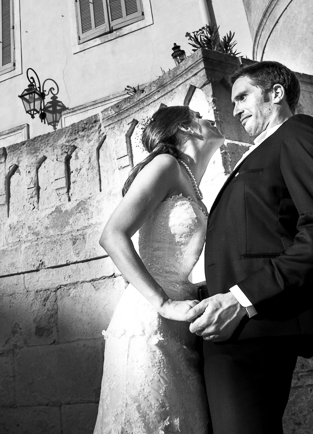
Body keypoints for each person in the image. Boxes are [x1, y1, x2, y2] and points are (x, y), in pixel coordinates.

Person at [186, 61, 313, 434]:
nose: (235, 109)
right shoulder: (261, 150)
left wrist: (242, 298)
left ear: (276, 94)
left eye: (243, 96)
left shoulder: (299, 131)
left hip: (256, 319)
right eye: (233, 102)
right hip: (226, 323)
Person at [93, 105, 224, 434]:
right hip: (149, 320)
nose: (212, 119)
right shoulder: (166, 164)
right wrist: (163, 303)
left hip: (182, 323)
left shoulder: (190, 181)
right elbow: (112, 235)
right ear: (187, 128)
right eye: (201, 116)